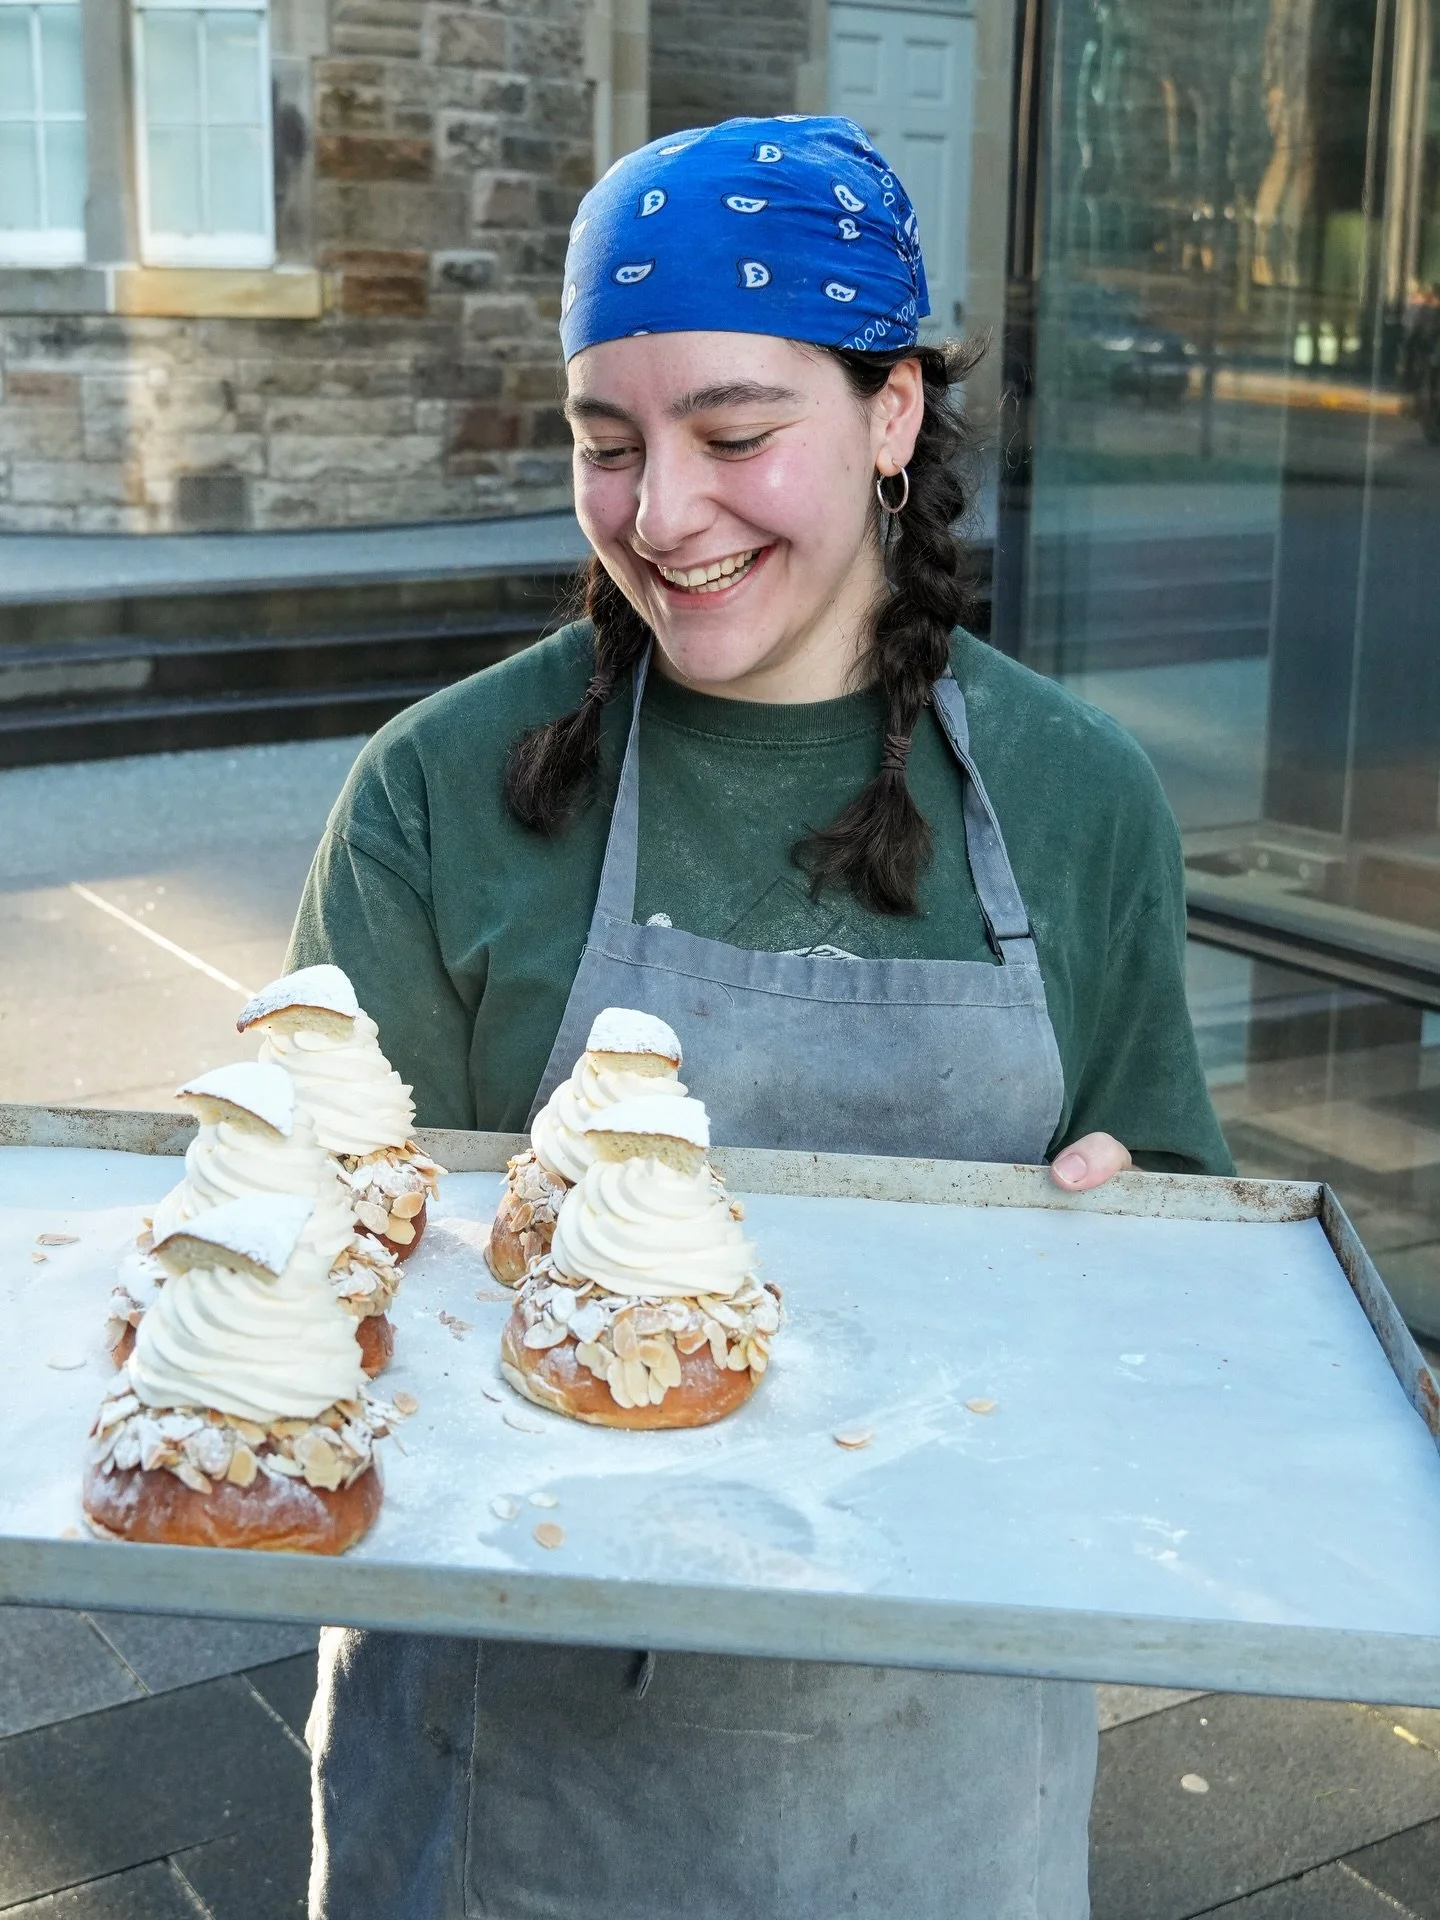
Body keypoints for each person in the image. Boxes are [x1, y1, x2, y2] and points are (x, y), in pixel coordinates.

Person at [294, 115, 1232, 1919]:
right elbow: (321, 1259)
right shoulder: (442, 794)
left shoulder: (1076, 794)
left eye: (734, 435)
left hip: (932, 1768)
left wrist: (1137, 1244)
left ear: (891, 418)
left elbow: (1187, 1265)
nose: (662, 515)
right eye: (605, 444)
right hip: (510, 1767)